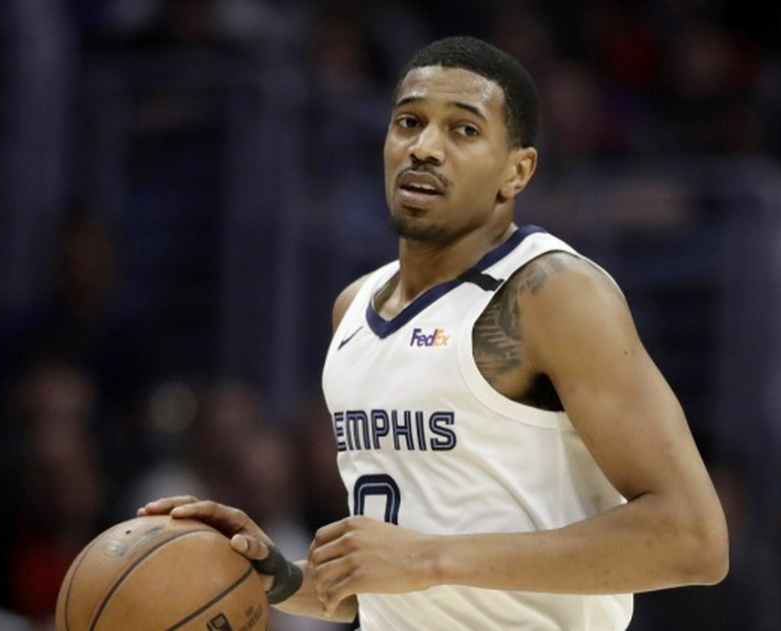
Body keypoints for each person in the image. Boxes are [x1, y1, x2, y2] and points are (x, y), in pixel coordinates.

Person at [141, 35, 728, 629]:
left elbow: (693, 539)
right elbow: (395, 582)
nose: (424, 147)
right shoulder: (353, 309)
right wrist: (280, 577)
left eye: (463, 130)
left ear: (517, 171)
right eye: (409, 122)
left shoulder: (551, 293)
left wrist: (428, 558)